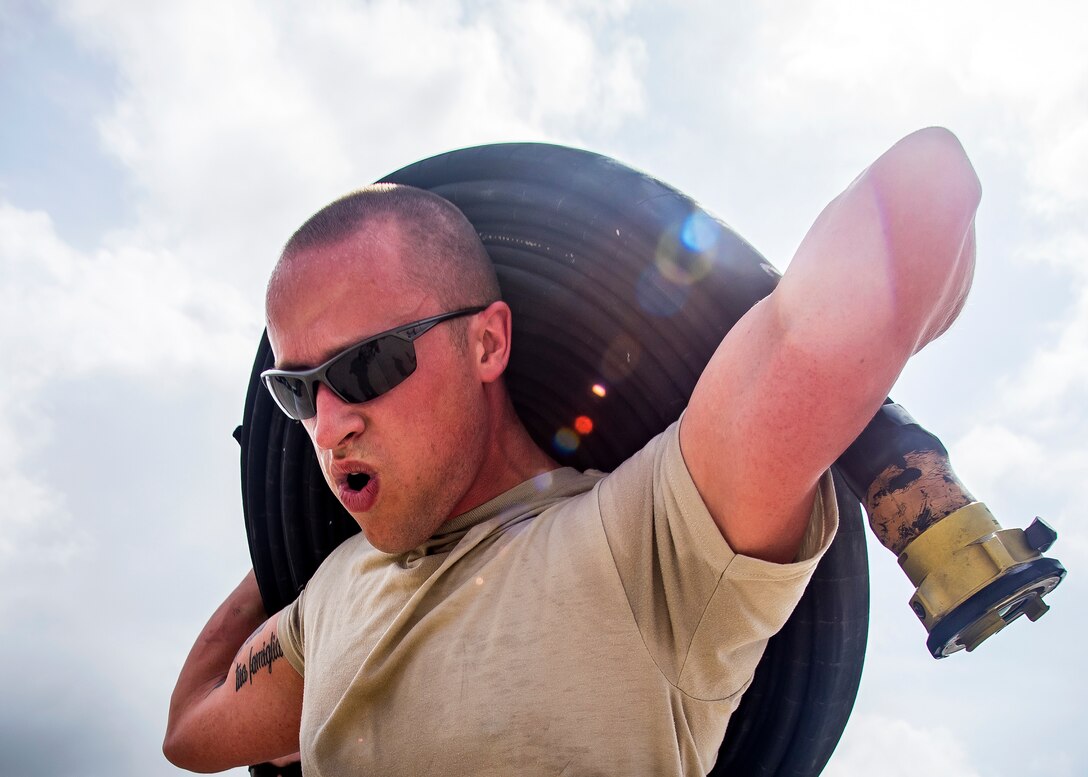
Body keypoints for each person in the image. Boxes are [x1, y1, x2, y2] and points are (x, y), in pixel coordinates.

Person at [164, 127, 979, 775]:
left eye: (367, 366)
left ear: (487, 343)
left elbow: (924, 189)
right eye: (299, 393)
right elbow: (189, 731)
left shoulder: (650, 542)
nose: (330, 424)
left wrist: (871, 376)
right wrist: (284, 539)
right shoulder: (329, 598)